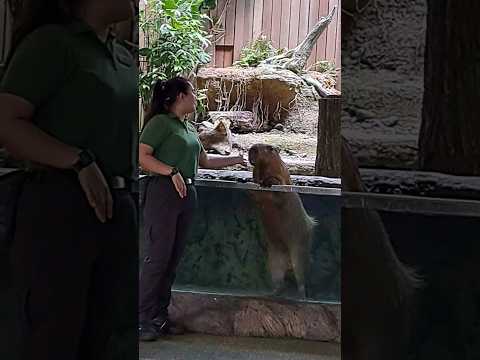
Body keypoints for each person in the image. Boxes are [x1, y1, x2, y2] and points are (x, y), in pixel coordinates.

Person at [0, 1, 138, 359]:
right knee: (52, 334)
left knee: (111, 334)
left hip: (119, 208)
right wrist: (78, 161)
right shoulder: (51, 44)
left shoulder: (123, 56)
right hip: (58, 206)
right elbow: (7, 122)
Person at [138, 76, 247, 341]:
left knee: (172, 260)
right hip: (163, 192)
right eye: (192, 93)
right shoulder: (160, 123)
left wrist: (237, 159)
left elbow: (205, 162)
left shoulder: (187, 128)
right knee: (158, 259)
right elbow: (141, 157)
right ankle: (141, 320)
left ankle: (159, 317)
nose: (195, 97)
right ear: (179, 97)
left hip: (187, 193)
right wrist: (171, 172)